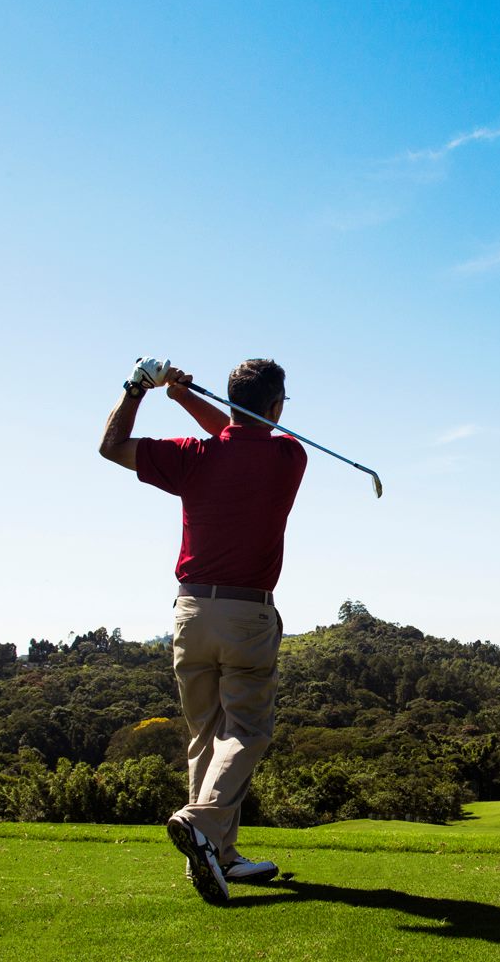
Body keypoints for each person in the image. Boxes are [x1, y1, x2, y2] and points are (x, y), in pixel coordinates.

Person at [99, 356, 307, 903]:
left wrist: (142, 389)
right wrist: (189, 400)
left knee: (205, 736)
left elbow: (113, 445)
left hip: (190, 614)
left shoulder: (191, 457)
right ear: (278, 407)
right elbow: (242, 434)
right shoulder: (290, 455)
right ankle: (200, 822)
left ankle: (218, 859)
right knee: (248, 731)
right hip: (248, 615)